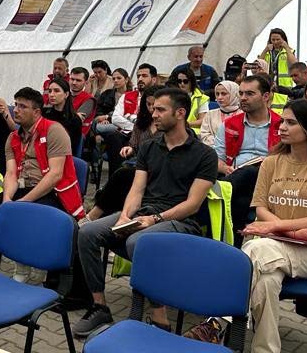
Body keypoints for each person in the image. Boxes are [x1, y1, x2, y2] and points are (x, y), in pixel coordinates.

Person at [188, 99, 307, 351]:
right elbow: (261, 208)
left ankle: (216, 321)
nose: (281, 127)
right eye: (282, 121)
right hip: (274, 244)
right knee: (266, 282)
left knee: (255, 249)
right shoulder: (271, 162)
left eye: (290, 123)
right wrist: (288, 230)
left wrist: (274, 228)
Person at [73, 88, 219, 337]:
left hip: (180, 222)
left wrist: (155, 219)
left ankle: (159, 320)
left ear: (181, 113)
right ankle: (100, 306)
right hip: (145, 214)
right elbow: (137, 189)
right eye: (153, 109)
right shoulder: (150, 147)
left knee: (138, 242)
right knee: (87, 232)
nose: (154, 114)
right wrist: (124, 216)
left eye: (161, 109)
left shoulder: (204, 154)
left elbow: (193, 204)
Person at [0, 87, 86, 241]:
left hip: (51, 192)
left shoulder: (54, 130)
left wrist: (24, 202)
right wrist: (7, 200)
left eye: (22, 106)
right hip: (21, 187)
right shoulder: (13, 138)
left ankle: (27, 250)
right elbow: (11, 174)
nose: (16, 110)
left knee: (25, 221)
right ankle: (18, 244)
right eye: (16, 105)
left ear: (37, 112)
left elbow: (55, 175)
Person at [214, 75, 282, 238]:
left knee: (250, 175)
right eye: (241, 93)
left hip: (271, 180)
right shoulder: (229, 124)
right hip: (236, 177)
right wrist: (225, 168)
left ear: (266, 96)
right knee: (243, 186)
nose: (243, 98)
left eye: (250, 94)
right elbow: (216, 158)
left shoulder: (282, 124)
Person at [84, 85, 161, 221]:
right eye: (148, 104)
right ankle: (101, 213)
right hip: (138, 163)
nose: (151, 109)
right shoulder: (141, 122)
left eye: (155, 105)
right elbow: (134, 144)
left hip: (155, 168)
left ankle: (93, 214)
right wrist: (130, 148)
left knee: (121, 175)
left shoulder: (166, 124)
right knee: (122, 172)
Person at [43, 77, 84, 157]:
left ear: (66, 94)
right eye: (50, 91)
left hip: (61, 157)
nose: (51, 94)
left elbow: (71, 147)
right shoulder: (44, 113)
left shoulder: (74, 119)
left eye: (56, 91)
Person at [199, 80, 240, 147]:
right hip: (214, 151)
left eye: (224, 94)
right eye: (217, 94)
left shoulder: (244, 115)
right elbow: (204, 135)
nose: (219, 97)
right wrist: (220, 145)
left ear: (234, 94)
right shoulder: (210, 114)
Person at [69, 67, 97, 138]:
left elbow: (76, 120)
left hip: (77, 135)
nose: (74, 83)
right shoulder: (64, 94)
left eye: (78, 80)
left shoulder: (89, 100)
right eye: (72, 79)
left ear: (86, 82)